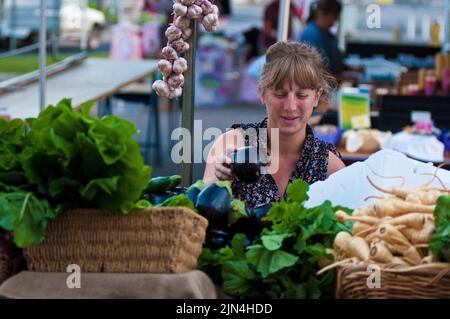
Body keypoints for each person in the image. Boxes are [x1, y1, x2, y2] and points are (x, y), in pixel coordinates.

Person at [203, 41, 345, 208]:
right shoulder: (233, 144)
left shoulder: (329, 166)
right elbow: (204, 206)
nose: (290, 106)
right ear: (262, 93)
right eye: (280, 94)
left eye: (301, 95)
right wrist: (219, 180)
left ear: (316, 97)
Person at [298, 0, 348, 77]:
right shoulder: (311, 35)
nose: (333, 23)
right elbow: (317, 72)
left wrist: (351, 70)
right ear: (322, 14)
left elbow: (334, 62)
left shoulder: (326, 35)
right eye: (333, 18)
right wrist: (344, 79)